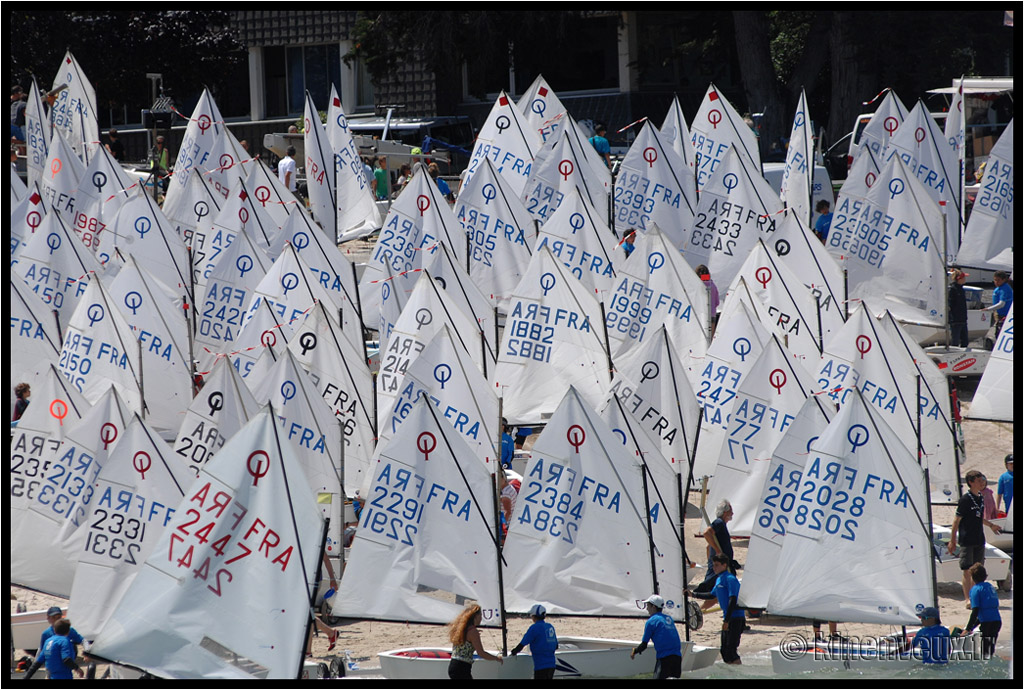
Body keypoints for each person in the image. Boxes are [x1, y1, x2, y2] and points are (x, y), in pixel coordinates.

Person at [948, 469, 1003, 606]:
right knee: (967, 570)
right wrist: (952, 540)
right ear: (971, 483)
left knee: (977, 570)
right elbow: (956, 521)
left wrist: (991, 525)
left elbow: (979, 517)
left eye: (982, 480)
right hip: (967, 539)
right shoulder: (965, 499)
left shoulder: (980, 497)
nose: (982, 483)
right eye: (978, 481)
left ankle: (975, 597)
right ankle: (968, 599)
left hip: (979, 538)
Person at [701, 554, 744, 664]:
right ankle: (732, 674)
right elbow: (712, 595)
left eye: (717, 565)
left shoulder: (730, 579)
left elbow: (733, 600)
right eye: (713, 565)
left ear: (724, 565)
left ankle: (738, 673)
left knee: (731, 650)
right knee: (724, 650)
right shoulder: (719, 579)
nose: (714, 568)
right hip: (728, 618)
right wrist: (693, 594)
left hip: (735, 618)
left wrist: (726, 621)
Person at [630, 594, 682, 679]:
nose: (647, 609)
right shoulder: (669, 619)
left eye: (648, 606)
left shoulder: (651, 622)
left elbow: (644, 645)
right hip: (677, 658)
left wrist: (634, 651)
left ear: (653, 607)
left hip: (664, 659)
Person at [446, 603, 502, 679]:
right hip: (462, 668)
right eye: (480, 616)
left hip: (454, 665)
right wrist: (496, 658)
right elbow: (481, 653)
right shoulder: (473, 632)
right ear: (475, 616)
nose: (481, 618)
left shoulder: (461, 629)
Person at [693, 500, 735, 598]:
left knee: (717, 592)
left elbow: (708, 547)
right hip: (719, 566)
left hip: (719, 564)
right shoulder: (719, 522)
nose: (732, 513)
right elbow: (706, 533)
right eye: (730, 511)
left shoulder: (722, 525)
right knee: (715, 591)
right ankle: (701, 609)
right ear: (725, 512)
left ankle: (702, 610)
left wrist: (710, 561)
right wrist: (717, 551)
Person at [24, 612, 85, 680]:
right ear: (68, 631)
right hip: (64, 676)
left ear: (55, 630)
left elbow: (37, 663)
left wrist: (26, 677)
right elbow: (66, 659)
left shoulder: (48, 642)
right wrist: (77, 669)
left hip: (51, 675)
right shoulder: (64, 641)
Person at [961, 563, 1001, 658]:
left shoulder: (976, 590)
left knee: (985, 653)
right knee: (990, 651)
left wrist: (967, 629)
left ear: (972, 577)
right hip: (997, 621)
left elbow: (975, 611)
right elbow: (985, 611)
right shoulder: (990, 587)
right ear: (986, 576)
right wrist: (972, 628)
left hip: (987, 624)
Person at [510, 604, 558, 680]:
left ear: (534, 616)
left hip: (540, 666)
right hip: (552, 665)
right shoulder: (550, 627)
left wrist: (513, 652)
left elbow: (522, 644)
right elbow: (556, 646)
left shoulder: (534, 628)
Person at [983, 270, 1013, 337]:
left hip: (1004, 315)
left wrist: (988, 309)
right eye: (995, 280)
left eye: (998, 280)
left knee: (1000, 333)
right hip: (998, 314)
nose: (996, 282)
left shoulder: (1005, 289)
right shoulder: (999, 288)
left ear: (1004, 280)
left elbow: (1001, 304)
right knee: (996, 331)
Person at [947, 269, 970, 348]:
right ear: (959, 279)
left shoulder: (961, 289)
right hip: (955, 320)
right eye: (963, 278)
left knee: (965, 341)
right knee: (955, 342)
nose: (965, 279)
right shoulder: (952, 289)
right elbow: (950, 304)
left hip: (963, 319)